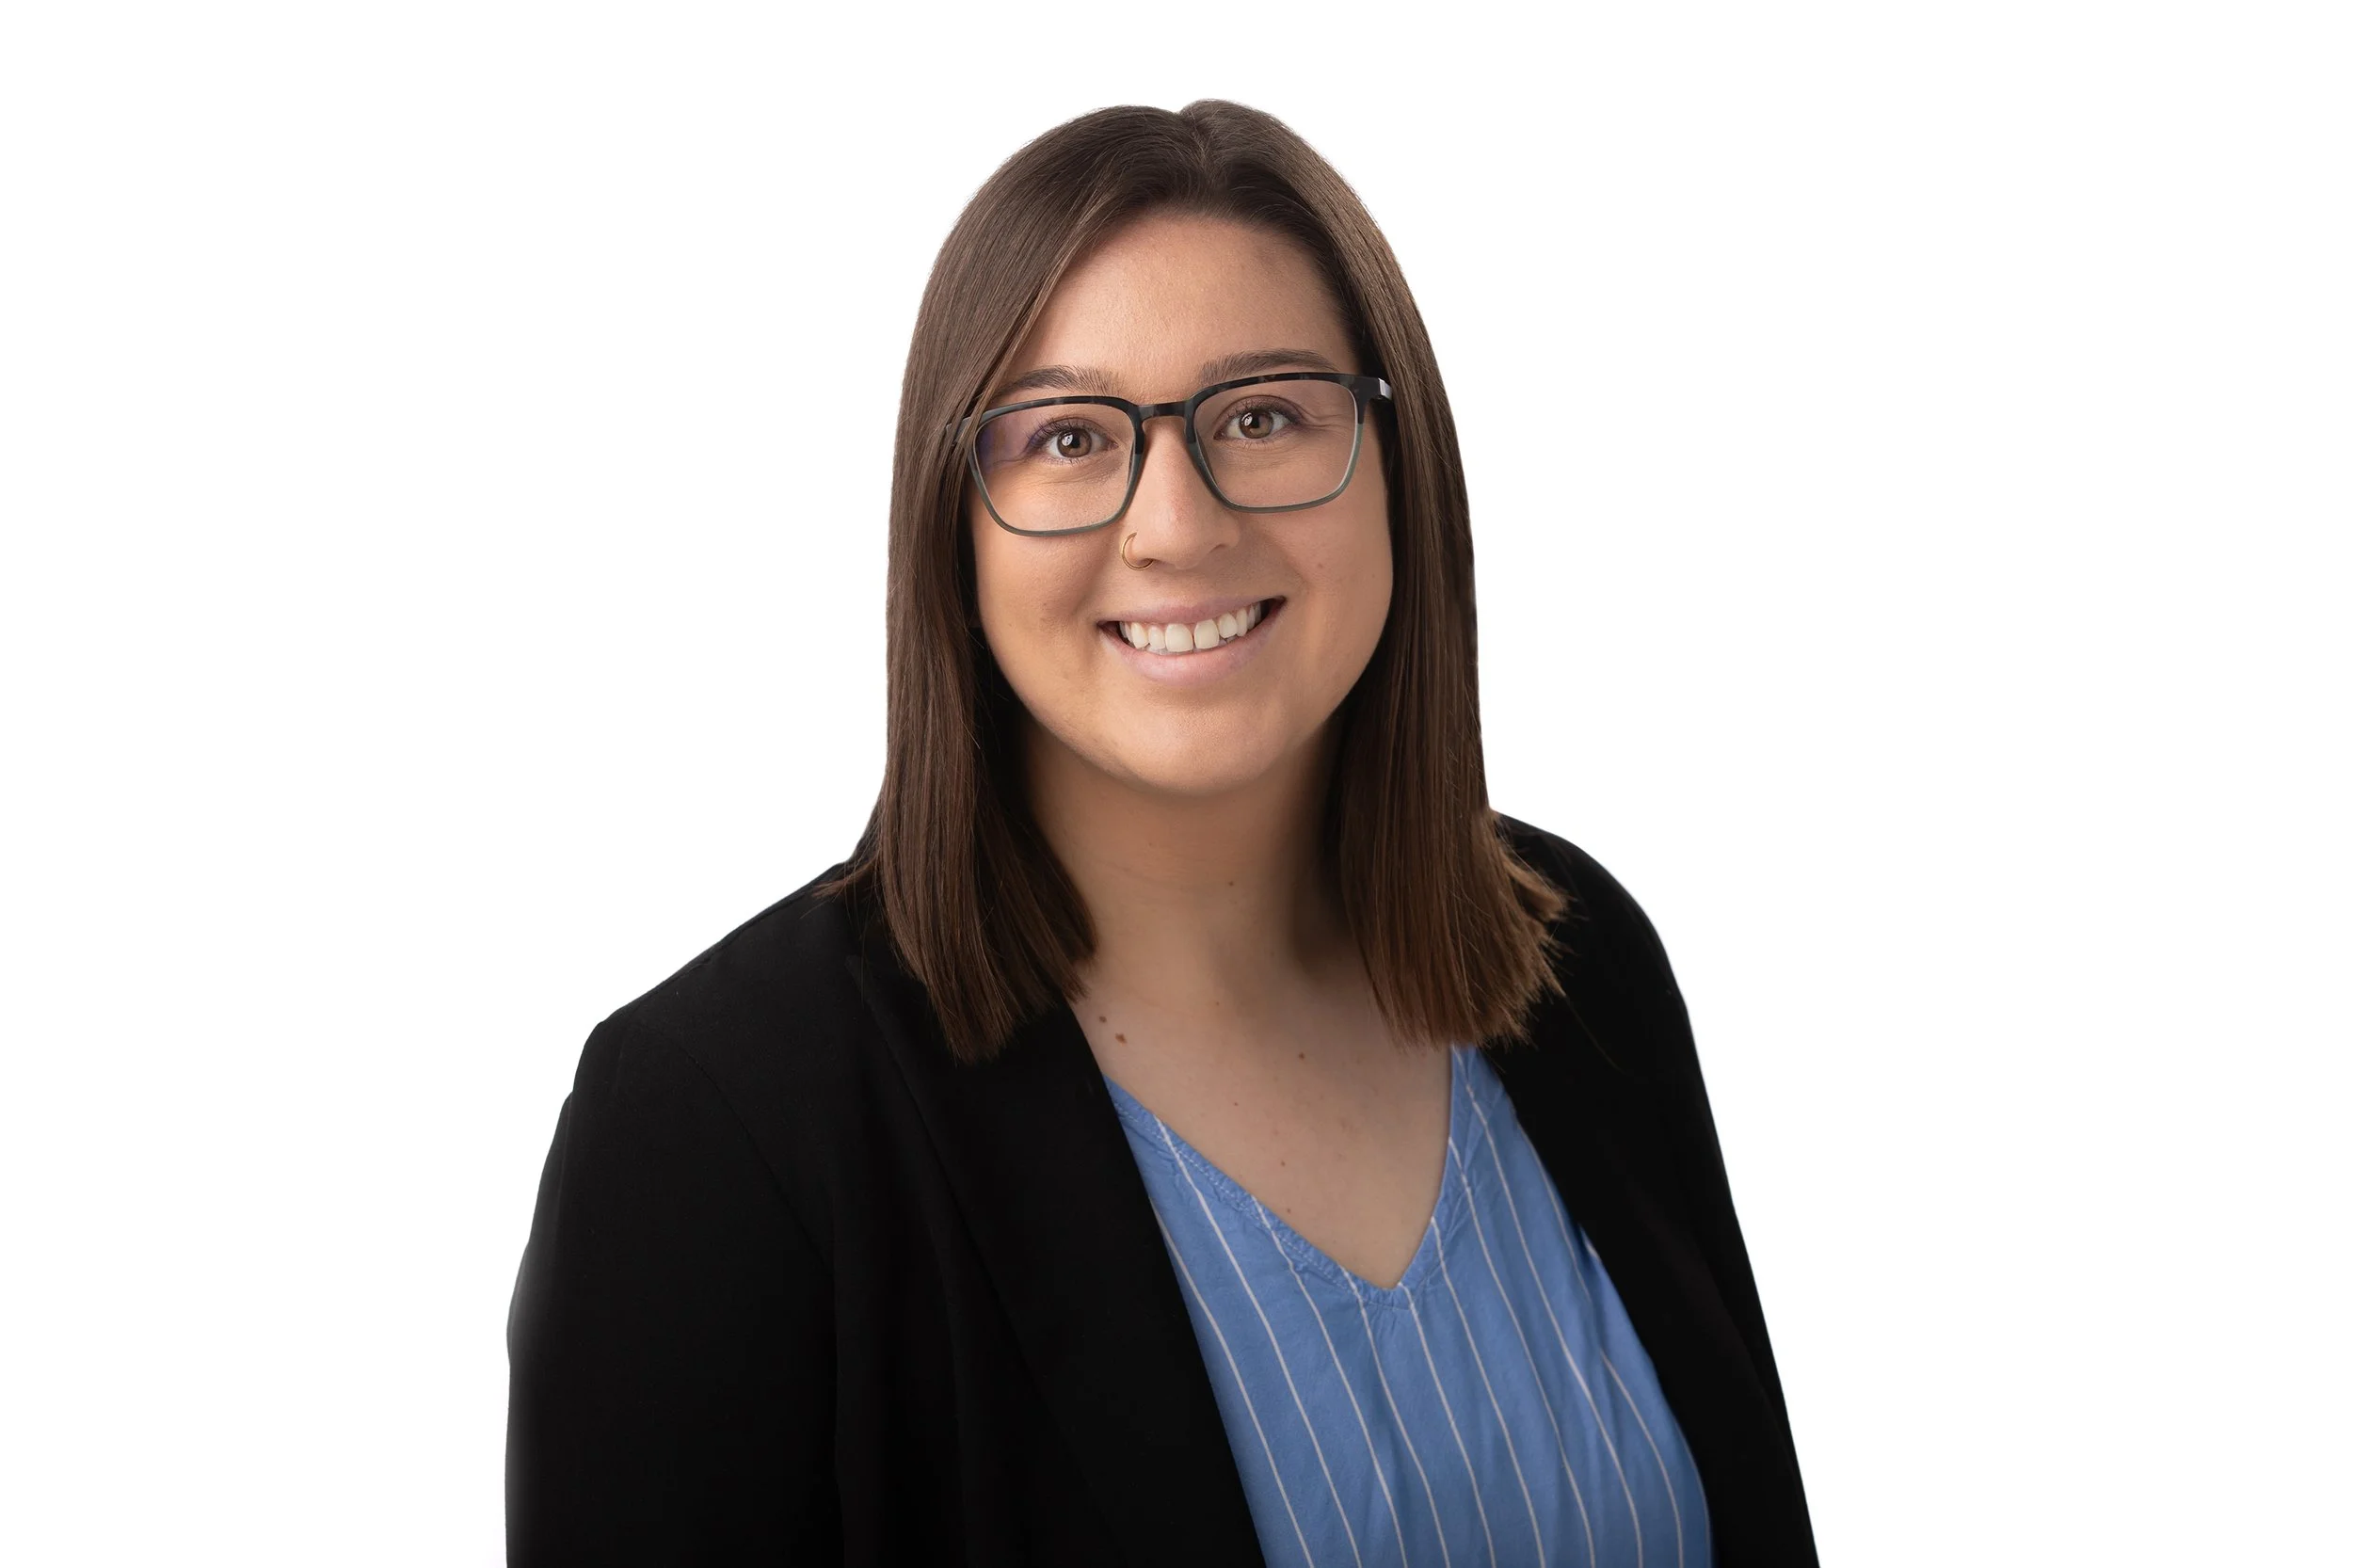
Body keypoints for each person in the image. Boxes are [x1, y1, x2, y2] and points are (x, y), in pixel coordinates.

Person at [506, 100, 1817, 1567]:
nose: (1176, 525)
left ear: (1399, 462)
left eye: (1262, 415)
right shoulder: (715, 1130)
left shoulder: (1579, 963)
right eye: (1070, 437)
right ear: (956, 519)